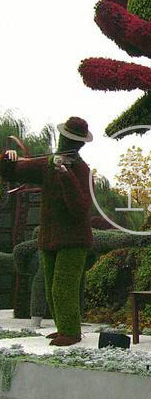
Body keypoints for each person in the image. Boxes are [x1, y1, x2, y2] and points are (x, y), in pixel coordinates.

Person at [1, 117, 93, 346]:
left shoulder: (82, 170)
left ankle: (71, 332)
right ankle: (63, 327)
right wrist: (7, 158)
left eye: (71, 140)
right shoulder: (47, 164)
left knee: (64, 286)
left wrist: (65, 175)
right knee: (52, 285)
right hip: (50, 237)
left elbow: (80, 207)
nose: (66, 142)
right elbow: (14, 172)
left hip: (74, 240)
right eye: (66, 138)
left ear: (79, 144)